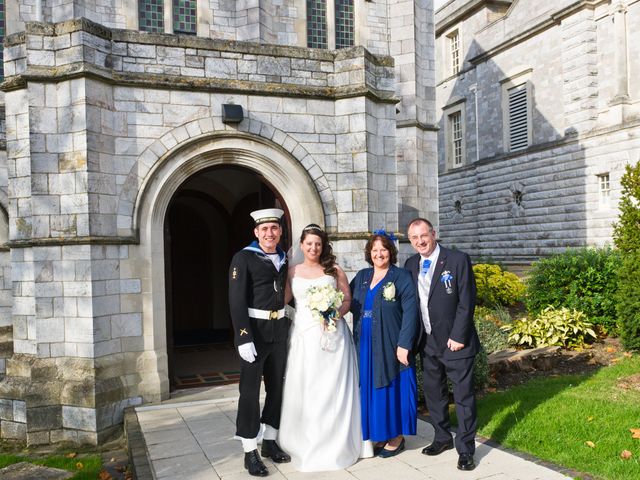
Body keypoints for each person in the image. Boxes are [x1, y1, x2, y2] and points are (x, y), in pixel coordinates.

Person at [278, 224, 368, 471]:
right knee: (308, 388)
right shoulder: (292, 271)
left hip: (334, 336)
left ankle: (338, 442)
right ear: (302, 245)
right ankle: (306, 441)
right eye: (309, 244)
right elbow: (283, 299)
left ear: (323, 245)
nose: (313, 248)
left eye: (318, 243)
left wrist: (335, 313)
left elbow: (347, 299)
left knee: (333, 387)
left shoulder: (334, 269)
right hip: (304, 337)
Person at [404, 218, 480, 471]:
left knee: (463, 396)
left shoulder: (457, 260)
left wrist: (459, 336)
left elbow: (467, 301)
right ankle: (442, 437)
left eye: (423, 235)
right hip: (427, 342)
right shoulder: (411, 264)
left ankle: (466, 448)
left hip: (455, 342)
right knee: (434, 394)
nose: (420, 242)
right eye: (414, 238)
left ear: (433, 234)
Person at [228, 208, 292, 477]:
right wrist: (243, 336)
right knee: (250, 393)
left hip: (279, 333)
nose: (270, 233)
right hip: (254, 334)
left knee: (277, 389)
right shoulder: (243, 258)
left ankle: (269, 441)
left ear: (279, 231)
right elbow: (236, 299)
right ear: (256, 232)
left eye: (274, 228)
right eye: (264, 229)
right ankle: (249, 450)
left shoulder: (283, 258)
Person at [350, 230, 419, 458]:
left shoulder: (401, 277)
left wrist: (404, 343)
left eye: (384, 249)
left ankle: (396, 436)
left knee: (391, 386)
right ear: (369, 253)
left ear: (391, 251)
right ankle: (379, 433)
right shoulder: (361, 276)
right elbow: (345, 301)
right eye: (375, 249)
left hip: (391, 341)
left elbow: (411, 312)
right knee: (370, 387)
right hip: (364, 342)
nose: (379, 253)